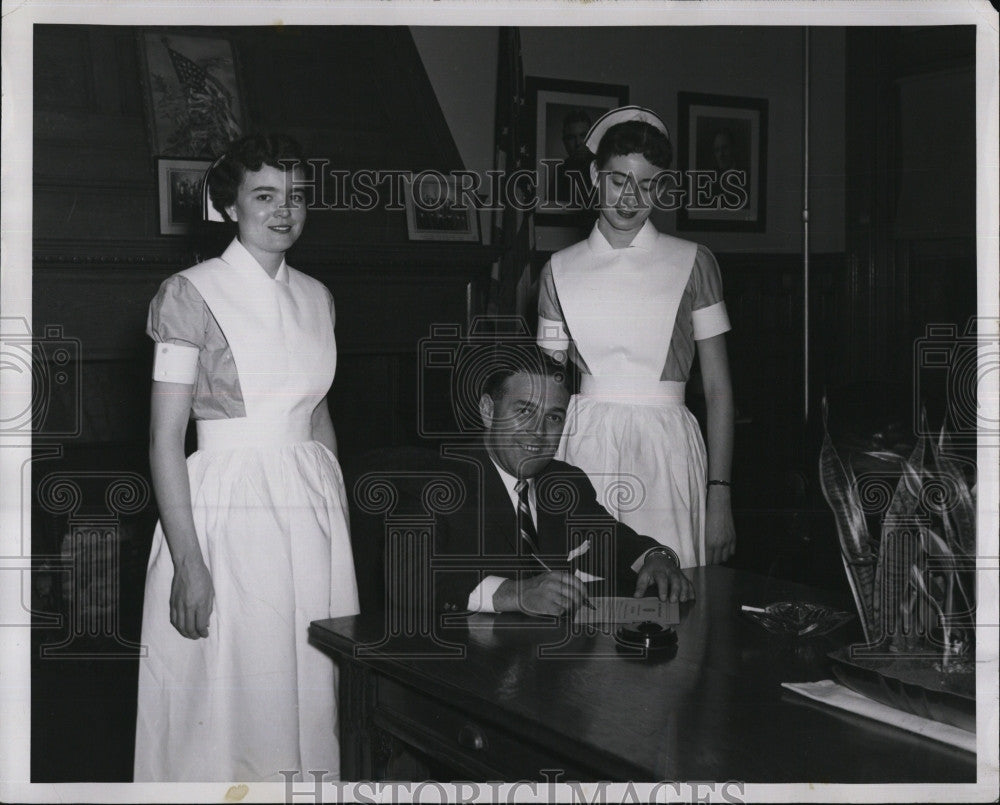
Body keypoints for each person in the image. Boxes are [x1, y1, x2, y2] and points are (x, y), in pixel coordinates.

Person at [134, 133, 360, 782]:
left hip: (308, 515)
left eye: (297, 196)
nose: (284, 210)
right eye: (265, 195)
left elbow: (318, 417)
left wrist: (335, 527)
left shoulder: (318, 297)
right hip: (227, 516)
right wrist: (189, 561)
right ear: (229, 205)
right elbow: (163, 438)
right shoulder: (188, 293)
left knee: (311, 692)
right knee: (233, 699)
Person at [537, 105, 736, 569]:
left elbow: (720, 391)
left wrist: (721, 497)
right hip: (583, 449)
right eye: (618, 180)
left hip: (667, 451)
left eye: (647, 184)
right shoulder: (557, 271)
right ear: (593, 176)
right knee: (587, 599)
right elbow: (546, 394)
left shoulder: (694, 262)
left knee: (671, 606)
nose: (630, 197)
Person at [374, 344, 693, 617]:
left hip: (550, 669)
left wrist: (656, 557)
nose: (538, 432)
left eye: (553, 418)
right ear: (487, 410)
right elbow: (408, 579)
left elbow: (610, 539)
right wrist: (515, 594)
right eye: (524, 412)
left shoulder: (565, 482)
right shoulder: (435, 480)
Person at [547, 108, 594, 208]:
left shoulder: (605, 166)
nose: (578, 143)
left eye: (583, 136)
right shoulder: (561, 170)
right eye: (571, 138)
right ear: (564, 142)